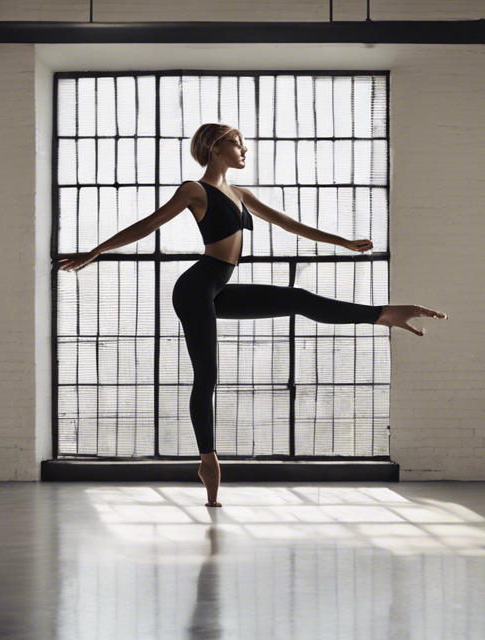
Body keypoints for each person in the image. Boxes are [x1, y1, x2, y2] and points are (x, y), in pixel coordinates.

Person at [57, 123, 445, 507]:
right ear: (214, 147)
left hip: (218, 288)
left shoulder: (240, 193)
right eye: (237, 144)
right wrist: (95, 251)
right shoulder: (194, 190)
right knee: (207, 375)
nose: (244, 151)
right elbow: (149, 224)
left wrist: (341, 241)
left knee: (297, 298)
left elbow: (288, 224)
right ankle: (208, 460)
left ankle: (383, 314)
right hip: (195, 288)